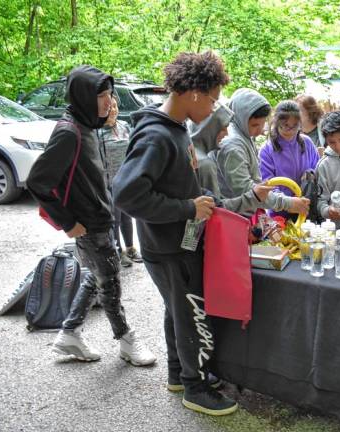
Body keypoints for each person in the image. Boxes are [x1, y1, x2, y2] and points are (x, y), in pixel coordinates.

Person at [113, 51, 237, 416]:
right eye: (213, 99)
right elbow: (126, 193)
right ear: (195, 93)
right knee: (191, 312)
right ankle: (196, 389)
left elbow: (177, 182)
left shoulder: (176, 129)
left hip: (175, 242)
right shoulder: (157, 136)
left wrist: (201, 200)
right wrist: (187, 209)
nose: (214, 108)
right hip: (169, 247)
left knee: (177, 311)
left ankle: (180, 374)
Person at [26, 65, 155, 366]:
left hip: (99, 217)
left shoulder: (86, 125)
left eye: (110, 94)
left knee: (96, 277)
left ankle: (69, 334)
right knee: (110, 281)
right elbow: (37, 181)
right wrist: (67, 222)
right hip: (87, 222)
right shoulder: (68, 132)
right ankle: (126, 340)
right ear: (85, 96)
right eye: (103, 95)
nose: (110, 101)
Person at [216, 88, 309, 218]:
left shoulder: (244, 135)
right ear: (241, 118)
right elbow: (249, 191)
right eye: (255, 125)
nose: (260, 131)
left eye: (262, 124)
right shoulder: (233, 146)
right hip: (231, 220)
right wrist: (287, 203)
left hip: (245, 215)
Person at [189, 104, 273, 214]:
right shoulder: (205, 164)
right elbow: (215, 209)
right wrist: (253, 197)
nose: (227, 133)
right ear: (210, 128)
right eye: (223, 128)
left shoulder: (190, 149)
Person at [98, 95, 142, 267]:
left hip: (126, 180)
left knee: (127, 216)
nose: (113, 110)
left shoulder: (123, 127)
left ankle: (131, 248)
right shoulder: (98, 132)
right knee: (114, 219)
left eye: (115, 107)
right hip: (109, 183)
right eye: (109, 108)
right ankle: (118, 251)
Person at [259, 100, 320, 219]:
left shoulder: (307, 143)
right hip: (279, 214)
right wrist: (289, 202)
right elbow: (267, 185)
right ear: (276, 122)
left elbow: (318, 171)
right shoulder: (267, 150)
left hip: (306, 210)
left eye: (295, 126)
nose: (291, 131)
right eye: (286, 126)